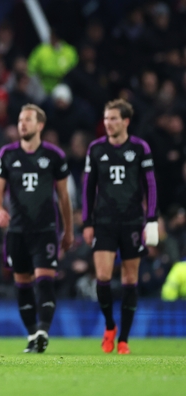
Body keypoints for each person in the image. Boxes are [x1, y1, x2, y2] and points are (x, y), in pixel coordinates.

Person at [0, 104, 73, 353]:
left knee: (45, 281)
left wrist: (68, 230)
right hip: (16, 231)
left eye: (27, 120)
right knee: (23, 283)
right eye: (20, 120)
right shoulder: (7, 154)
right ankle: (32, 334)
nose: (22, 124)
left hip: (45, 229)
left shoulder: (54, 155)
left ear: (40, 125)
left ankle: (43, 331)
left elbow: (64, 197)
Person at [82, 99, 158, 355]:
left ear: (126, 121)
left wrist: (151, 218)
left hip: (132, 221)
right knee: (103, 277)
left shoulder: (139, 148)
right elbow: (88, 187)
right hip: (104, 221)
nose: (108, 123)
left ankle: (124, 339)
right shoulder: (96, 148)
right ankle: (110, 326)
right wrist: (87, 221)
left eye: (113, 118)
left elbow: (150, 185)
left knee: (129, 279)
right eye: (106, 118)